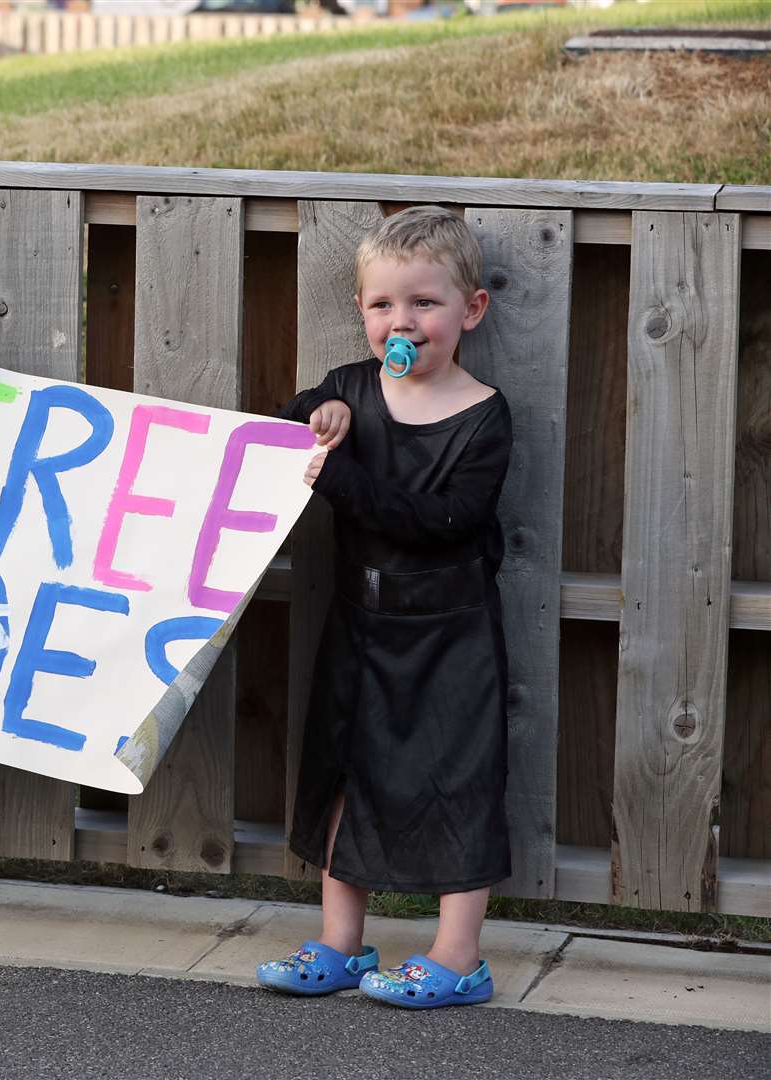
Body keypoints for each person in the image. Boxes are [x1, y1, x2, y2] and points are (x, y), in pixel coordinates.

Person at [256, 205, 512, 1009]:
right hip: (362, 625)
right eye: (382, 306)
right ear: (363, 312)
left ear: (469, 310)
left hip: (450, 631)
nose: (402, 322)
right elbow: (288, 425)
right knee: (346, 768)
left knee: (459, 779)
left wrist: (338, 476)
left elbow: (443, 523)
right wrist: (315, 415)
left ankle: (458, 953)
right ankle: (341, 940)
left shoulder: (483, 415)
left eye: (424, 304)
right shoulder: (353, 390)